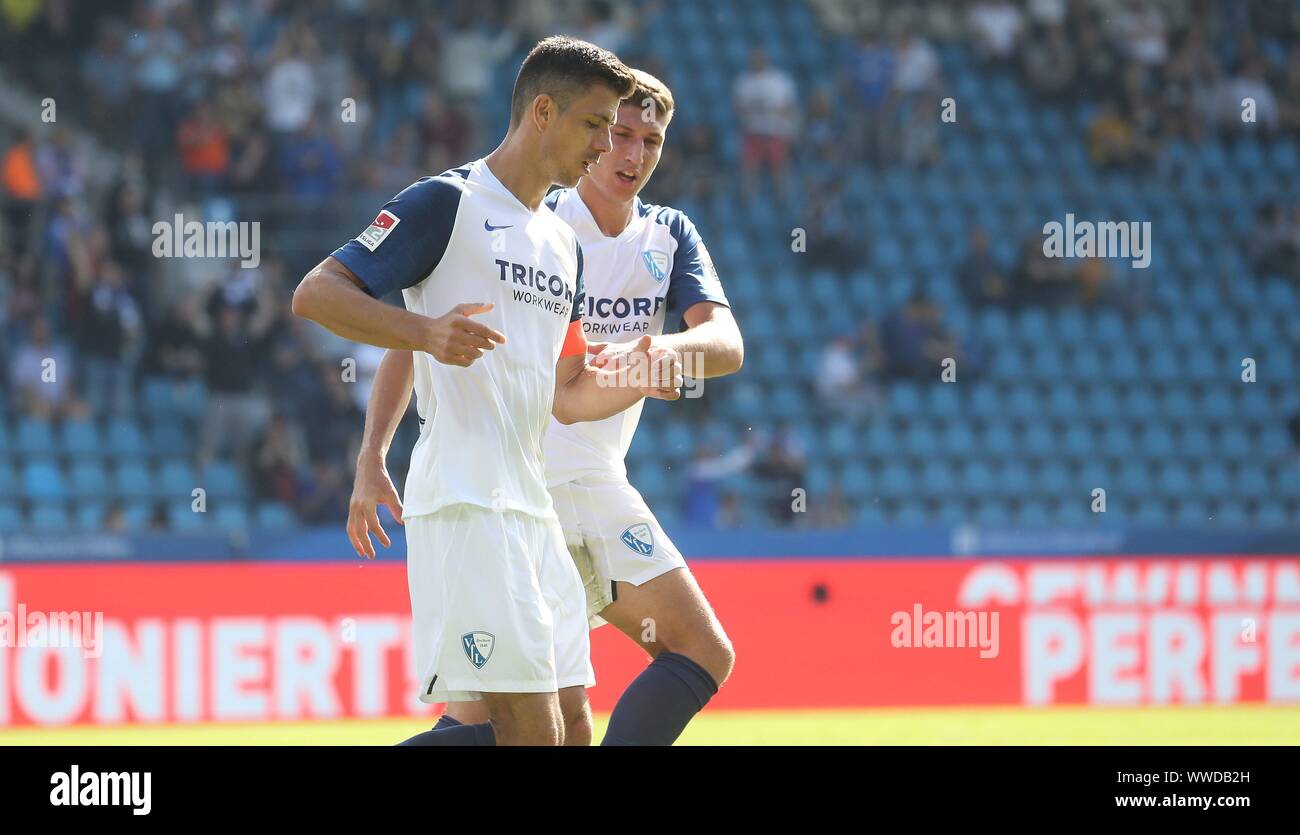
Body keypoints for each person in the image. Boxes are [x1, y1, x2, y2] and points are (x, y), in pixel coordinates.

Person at [292, 37, 681, 746]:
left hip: (532, 507)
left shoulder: (561, 243)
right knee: (530, 735)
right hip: (469, 499)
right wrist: (387, 418)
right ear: (542, 111)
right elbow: (316, 293)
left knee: (571, 731)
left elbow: (567, 387)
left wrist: (649, 370)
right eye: (595, 124)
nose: (606, 145)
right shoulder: (449, 202)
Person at [351, 68, 745, 746]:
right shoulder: (533, 216)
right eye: (615, 132)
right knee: (555, 720)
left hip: (569, 481)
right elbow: (414, 334)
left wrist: (663, 353)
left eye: (649, 141)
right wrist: (374, 453)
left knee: (553, 726)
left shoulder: (665, 234)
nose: (629, 154)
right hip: (524, 482)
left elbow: (724, 344)